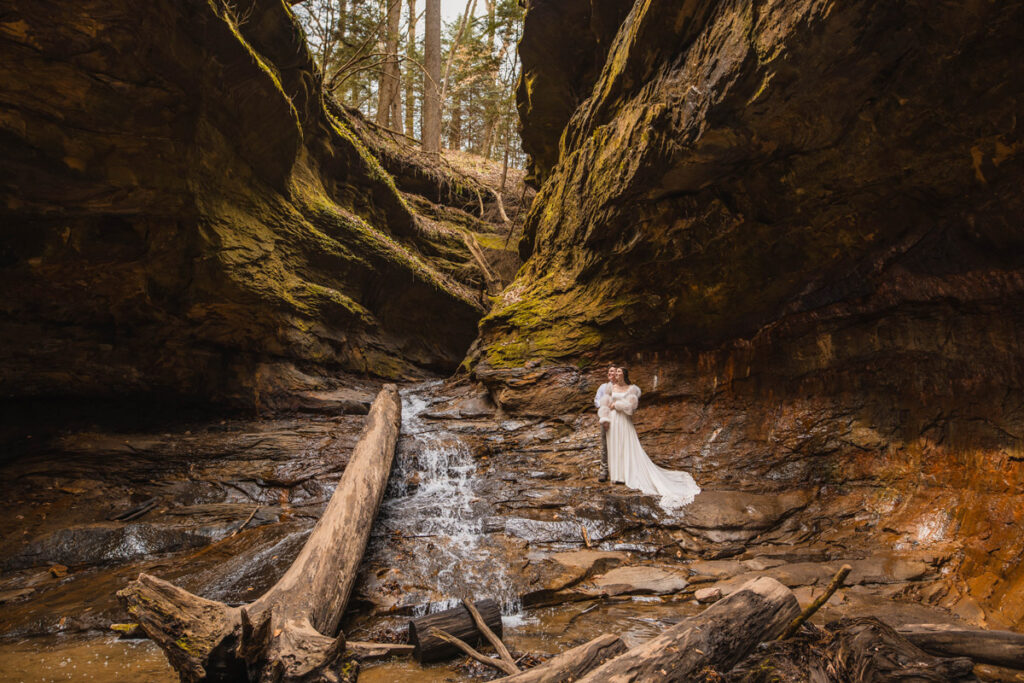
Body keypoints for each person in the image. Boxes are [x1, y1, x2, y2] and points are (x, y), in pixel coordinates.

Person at [598, 366, 701, 510]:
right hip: (613, 420)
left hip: (624, 421)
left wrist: (618, 404)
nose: (616, 374)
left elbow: (631, 408)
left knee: (626, 446)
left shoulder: (631, 389)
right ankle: (617, 476)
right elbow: (604, 403)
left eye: (619, 372)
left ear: (624, 374)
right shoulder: (610, 387)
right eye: (616, 372)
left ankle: (628, 474)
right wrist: (605, 415)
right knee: (614, 447)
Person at [593, 365, 616, 482]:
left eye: (612, 371)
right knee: (604, 444)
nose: (609, 373)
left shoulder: (621, 387)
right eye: (609, 371)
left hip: (617, 418)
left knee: (617, 443)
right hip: (605, 416)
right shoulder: (603, 387)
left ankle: (617, 471)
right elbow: (596, 400)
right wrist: (603, 405)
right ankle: (604, 471)